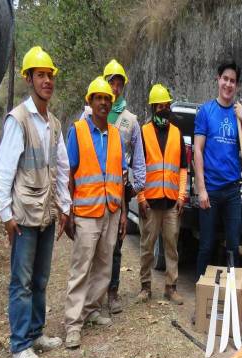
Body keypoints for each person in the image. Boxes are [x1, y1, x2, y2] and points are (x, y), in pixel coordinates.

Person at [0, 46, 70, 358]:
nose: (47, 80)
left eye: (50, 75)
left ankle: (36, 333)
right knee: (21, 281)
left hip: (47, 214)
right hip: (23, 216)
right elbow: (3, 168)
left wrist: (65, 206)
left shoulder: (53, 123)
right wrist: (5, 213)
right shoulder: (18, 120)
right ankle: (20, 344)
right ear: (28, 79)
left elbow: (62, 167)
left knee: (40, 278)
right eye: (41, 75)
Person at [63, 76, 127, 349]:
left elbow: (120, 175)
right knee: (81, 268)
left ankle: (91, 310)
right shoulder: (77, 131)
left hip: (111, 210)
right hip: (87, 211)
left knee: (103, 265)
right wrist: (67, 209)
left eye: (107, 99)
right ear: (89, 102)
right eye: (98, 98)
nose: (103, 102)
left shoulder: (115, 134)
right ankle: (72, 324)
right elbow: (68, 173)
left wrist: (123, 212)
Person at [194, 61, 242, 279]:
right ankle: (202, 298)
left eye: (233, 81)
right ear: (218, 79)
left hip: (231, 192)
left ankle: (232, 300)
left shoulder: (238, 115)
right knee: (206, 246)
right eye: (225, 79)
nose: (228, 84)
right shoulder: (206, 111)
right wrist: (201, 189)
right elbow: (198, 151)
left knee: (233, 247)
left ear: (236, 85)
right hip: (210, 188)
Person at [136, 84, 187, 305]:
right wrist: (140, 197)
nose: (163, 109)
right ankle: (145, 286)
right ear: (152, 107)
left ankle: (171, 287)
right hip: (150, 201)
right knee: (147, 246)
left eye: (166, 105)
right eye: (159, 105)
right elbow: (137, 167)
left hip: (171, 202)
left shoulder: (177, 133)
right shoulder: (143, 132)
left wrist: (182, 196)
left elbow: (183, 168)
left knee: (171, 246)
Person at [101, 59, 145, 314]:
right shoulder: (90, 114)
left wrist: (135, 187)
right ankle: (93, 296)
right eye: (111, 83)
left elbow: (138, 158)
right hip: (94, 192)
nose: (115, 88)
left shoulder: (130, 120)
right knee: (96, 246)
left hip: (119, 192)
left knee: (116, 244)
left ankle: (113, 292)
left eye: (119, 84)